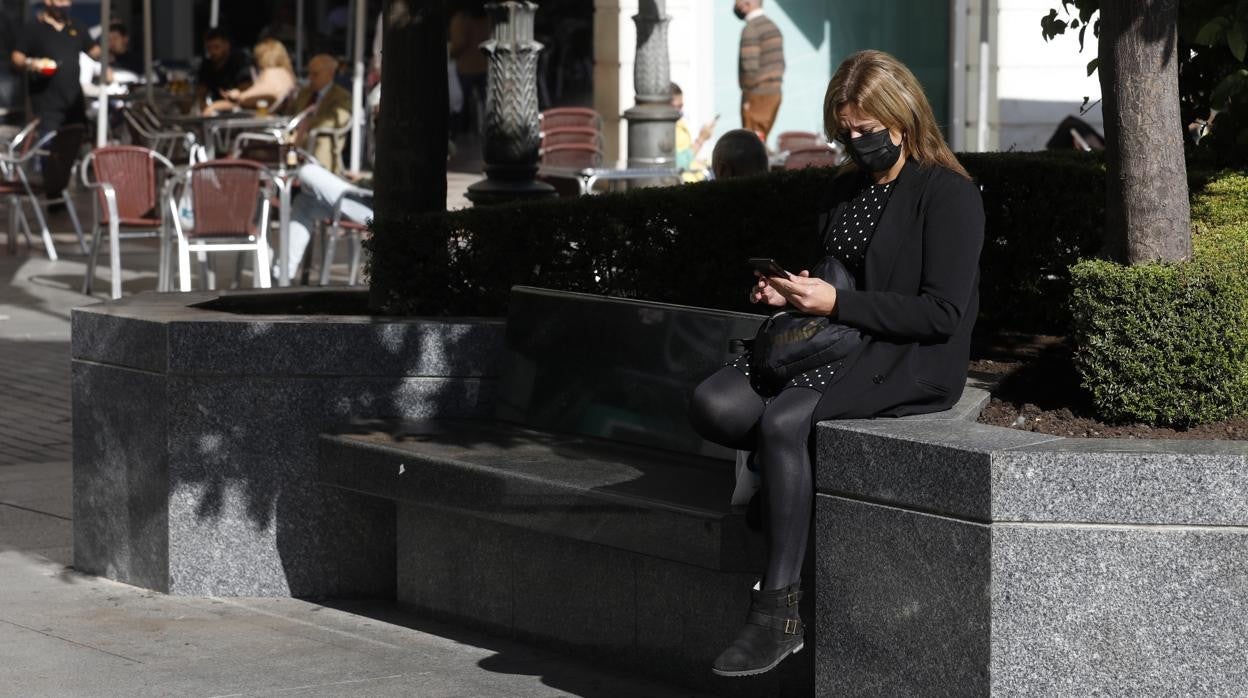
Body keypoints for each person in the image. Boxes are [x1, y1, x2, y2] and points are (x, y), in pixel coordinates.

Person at [688, 49, 984, 678]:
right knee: (712, 404)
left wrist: (839, 302)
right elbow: (833, 275)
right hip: (836, 337)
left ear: (902, 119)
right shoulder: (842, 189)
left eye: (866, 131)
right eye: (844, 131)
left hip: (907, 354)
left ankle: (778, 617)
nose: (855, 142)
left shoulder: (949, 194)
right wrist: (791, 293)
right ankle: (783, 488)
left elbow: (942, 314)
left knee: (782, 424)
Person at [10, 0, 101, 134]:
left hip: (74, 105)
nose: (64, 5)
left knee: (78, 147)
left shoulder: (77, 26)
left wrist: (109, 46)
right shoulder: (34, 27)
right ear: (48, 2)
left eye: (67, 2)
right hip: (46, 107)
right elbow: (16, 57)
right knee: (48, 149)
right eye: (60, 1)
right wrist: (31, 63)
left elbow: (95, 51)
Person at [277, 160, 372, 279]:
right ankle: (282, 275)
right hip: (361, 199)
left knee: (308, 171)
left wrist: (362, 180)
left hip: (372, 206)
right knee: (303, 203)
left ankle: (300, 179)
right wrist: (362, 178)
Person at [286, 54, 352, 172]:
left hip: (318, 137)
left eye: (315, 74)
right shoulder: (304, 93)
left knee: (322, 142)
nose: (310, 78)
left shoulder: (341, 96)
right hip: (295, 136)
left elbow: (339, 120)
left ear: (330, 74)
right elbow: (290, 115)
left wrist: (309, 124)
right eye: (309, 73)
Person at [734, 0, 784, 143]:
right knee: (760, 141)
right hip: (774, 94)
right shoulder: (774, 27)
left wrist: (747, 98)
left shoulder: (751, 28)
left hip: (757, 95)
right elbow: (781, 65)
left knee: (750, 145)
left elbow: (749, 67)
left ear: (746, 4)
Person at [205, 38, 296, 115]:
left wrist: (239, 96)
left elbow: (267, 92)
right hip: (282, 122)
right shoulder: (286, 74)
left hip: (268, 127)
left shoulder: (271, 72)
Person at [448, 3, 490, 137]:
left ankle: (462, 132)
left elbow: (459, 42)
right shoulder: (486, 16)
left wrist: (450, 52)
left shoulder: (460, 19)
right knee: (487, 101)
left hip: (466, 67)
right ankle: (488, 129)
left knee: (461, 103)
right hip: (484, 64)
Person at [194, 27, 251, 106]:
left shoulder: (239, 61)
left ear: (227, 45)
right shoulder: (207, 64)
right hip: (216, 109)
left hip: (240, 108)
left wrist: (216, 106)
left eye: (216, 47)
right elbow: (200, 93)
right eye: (209, 48)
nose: (212, 52)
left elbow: (245, 93)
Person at [671, 82, 715, 181]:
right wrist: (701, 139)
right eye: (677, 106)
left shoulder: (678, 123)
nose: (681, 110)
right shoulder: (667, 128)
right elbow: (679, 163)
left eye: (681, 106)